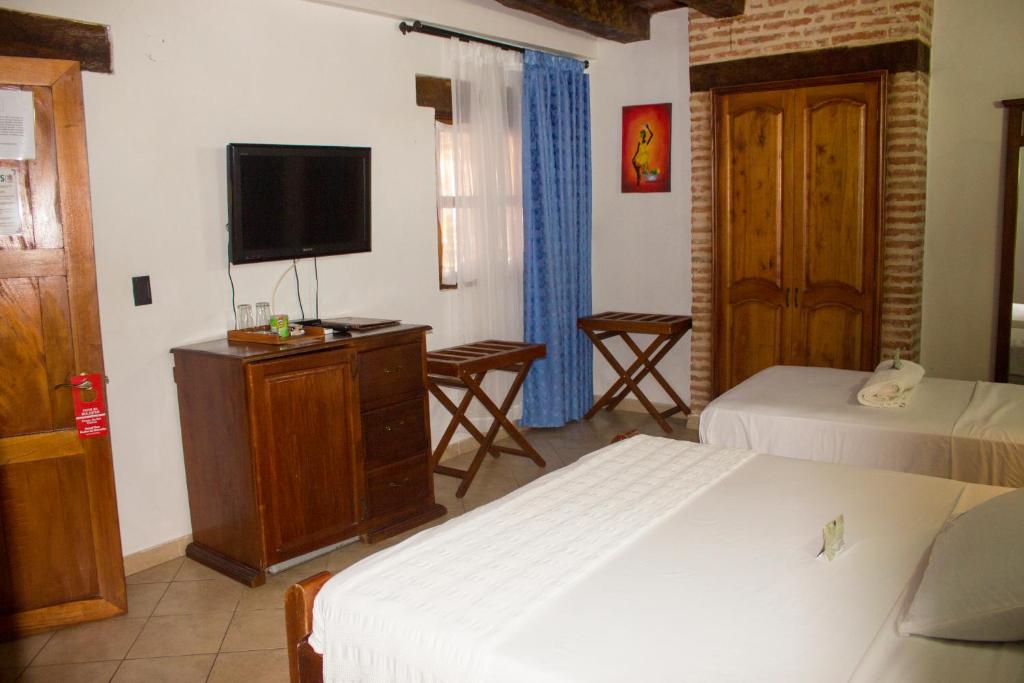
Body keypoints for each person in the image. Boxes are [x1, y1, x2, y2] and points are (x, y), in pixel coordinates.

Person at [631, 122, 654, 188]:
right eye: (641, 134)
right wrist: (634, 157)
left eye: (643, 134)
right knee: (633, 162)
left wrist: (648, 128)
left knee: (641, 166)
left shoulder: (646, 142)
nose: (642, 135)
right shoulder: (639, 143)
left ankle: (640, 176)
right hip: (639, 155)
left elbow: (652, 135)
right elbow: (637, 150)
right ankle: (638, 175)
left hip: (644, 156)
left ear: (644, 135)